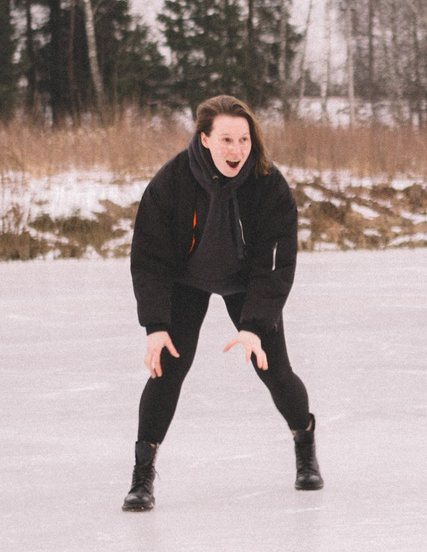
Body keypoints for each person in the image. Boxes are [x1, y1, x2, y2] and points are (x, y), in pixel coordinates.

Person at [121, 95, 321, 511]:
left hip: (246, 282)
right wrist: (156, 325)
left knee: (275, 370)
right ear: (205, 139)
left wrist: (254, 326)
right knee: (167, 371)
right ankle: (142, 478)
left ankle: (304, 440)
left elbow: (276, 264)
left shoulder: (269, 186)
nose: (237, 150)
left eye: (244, 139)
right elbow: (149, 258)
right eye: (227, 139)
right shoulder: (171, 182)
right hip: (185, 280)